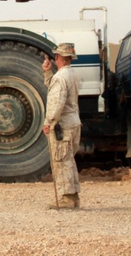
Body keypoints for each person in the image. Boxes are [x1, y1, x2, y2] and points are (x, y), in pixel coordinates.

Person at [43, 42, 82, 210]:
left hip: (62, 125)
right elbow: (56, 90)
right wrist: (47, 72)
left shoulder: (60, 77)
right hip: (74, 122)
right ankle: (73, 197)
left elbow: (56, 102)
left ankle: (67, 198)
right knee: (69, 160)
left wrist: (48, 123)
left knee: (61, 161)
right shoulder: (72, 75)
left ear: (58, 57)